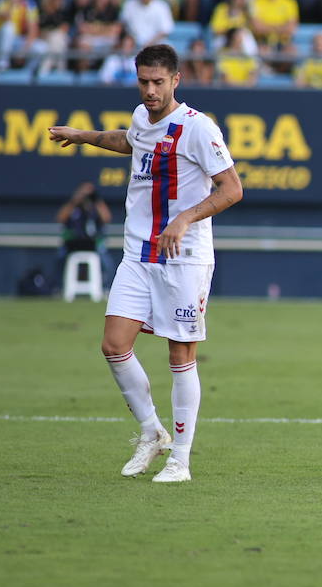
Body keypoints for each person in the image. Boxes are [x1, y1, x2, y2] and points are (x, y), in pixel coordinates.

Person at [47, 44, 244, 483]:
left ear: (176, 80)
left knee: (180, 354)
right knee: (114, 345)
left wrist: (185, 218)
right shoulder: (141, 117)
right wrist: (84, 136)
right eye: (143, 82)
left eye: (158, 82)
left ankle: (181, 461)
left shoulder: (198, 128)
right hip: (138, 252)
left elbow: (232, 189)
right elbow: (129, 140)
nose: (150, 90)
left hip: (183, 257)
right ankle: (152, 432)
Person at [56, 181, 111, 285]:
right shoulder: (73, 206)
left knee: (105, 260)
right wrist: (75, 200)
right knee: (60, 257)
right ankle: (59, 286)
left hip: (93, 243)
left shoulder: (96, 206)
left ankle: (105, 287)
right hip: (73, 242)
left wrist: (96, 199)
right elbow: (60, 218)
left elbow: (107, 218)